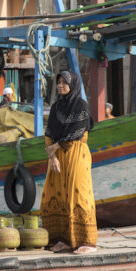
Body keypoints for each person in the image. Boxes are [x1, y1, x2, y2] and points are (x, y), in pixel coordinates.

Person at [41, 70, 97, 255]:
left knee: (79, 195)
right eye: (58, 82)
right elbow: (49, 134)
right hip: (59, 158)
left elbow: (76, 133)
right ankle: (64, 239)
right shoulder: (56, 107)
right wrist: (53, 157)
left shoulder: (81, 106)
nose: (60, 85)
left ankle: (87, 241)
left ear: (72, 85)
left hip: (76, 155)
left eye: (64, 82)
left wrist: (55, 147)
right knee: (58, 196)